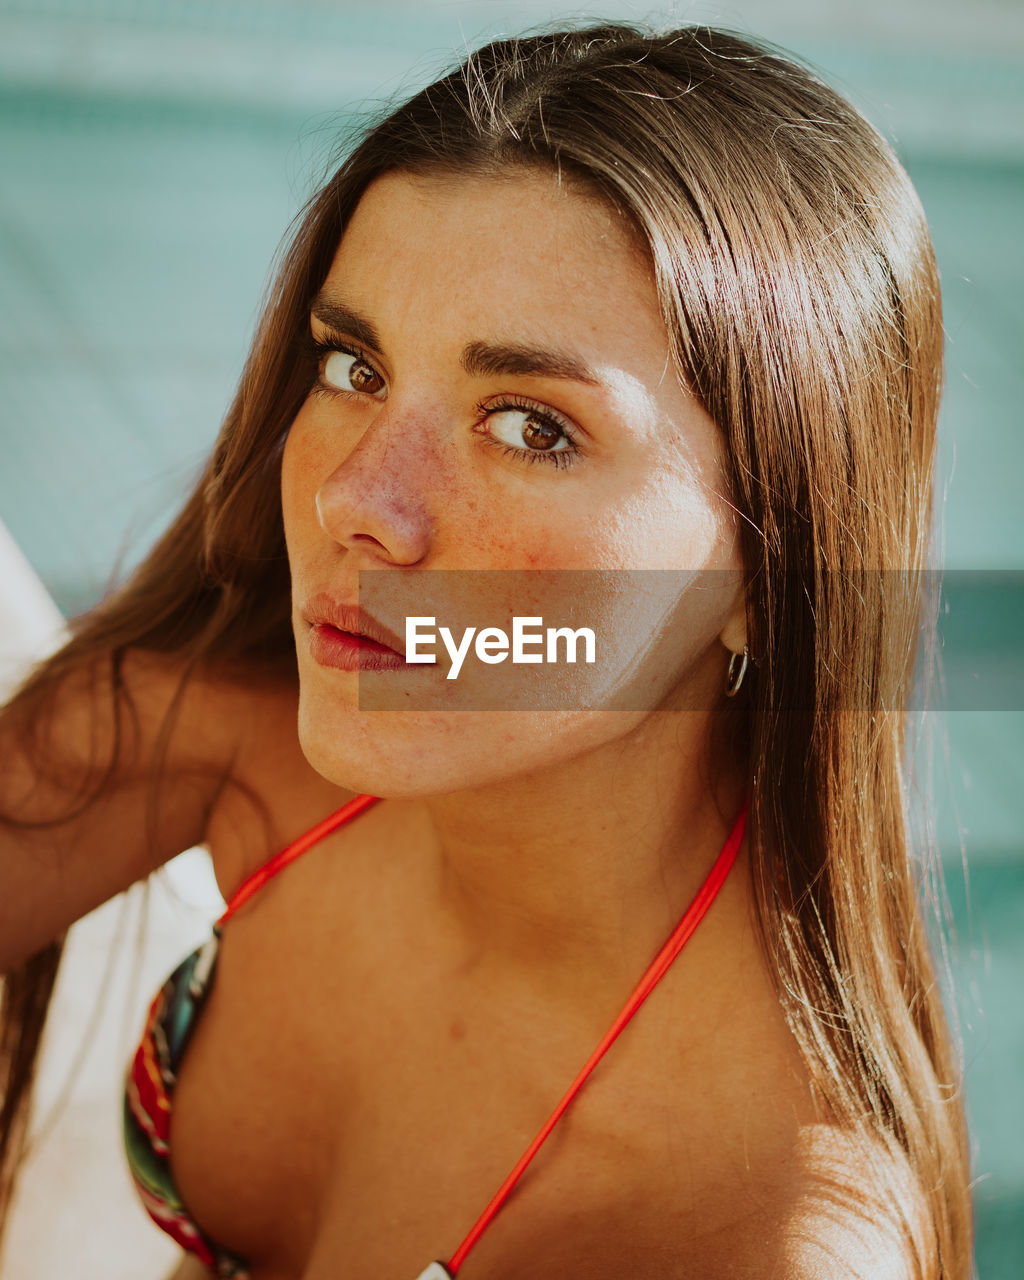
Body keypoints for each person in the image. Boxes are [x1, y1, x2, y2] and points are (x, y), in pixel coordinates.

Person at [0, 20, 972, 1280]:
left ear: (771, 578)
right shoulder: (225, 721)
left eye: (530, 426)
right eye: (353, 364)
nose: (360, 499)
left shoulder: (755, 1232)